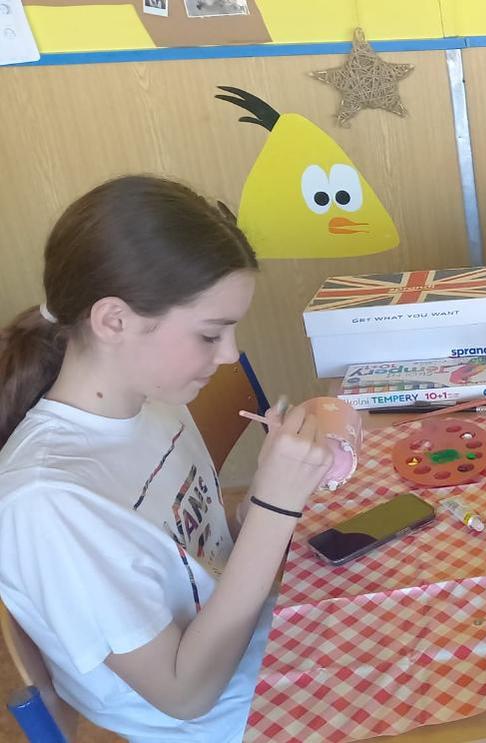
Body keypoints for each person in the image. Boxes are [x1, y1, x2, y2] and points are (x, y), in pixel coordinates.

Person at [0, 176, 333, 741]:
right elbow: (186, 695)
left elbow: (198, 558)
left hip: (264, 644)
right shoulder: (46, 503)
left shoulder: (153, 403)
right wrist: (276, 508)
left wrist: (265, 492)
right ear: (113, 321)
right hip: (225, 718)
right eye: (210, 334)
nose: (230, 355)